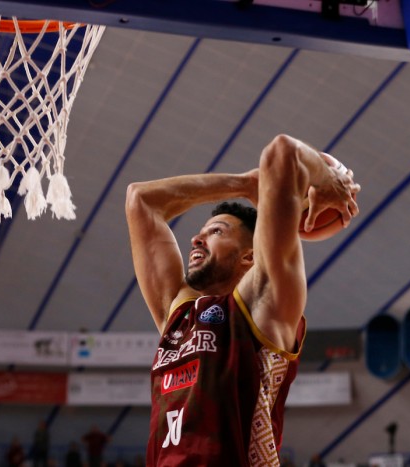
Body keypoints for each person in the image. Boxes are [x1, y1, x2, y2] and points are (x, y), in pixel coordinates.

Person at [125, 133, 360, 466]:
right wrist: (243, 184)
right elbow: (141, 200)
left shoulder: (265, 305)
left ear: (250, 257)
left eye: (217, 232)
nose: (196, 239)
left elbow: (283, 152)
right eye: (202, 232)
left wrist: (326, 179)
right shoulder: (177, 314)